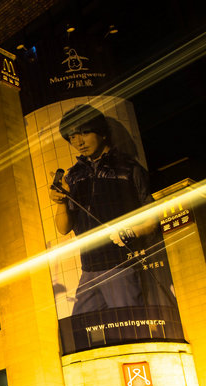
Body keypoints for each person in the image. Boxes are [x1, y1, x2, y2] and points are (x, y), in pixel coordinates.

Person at [48, 104, 159, 314]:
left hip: (121, 266)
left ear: (102, 133)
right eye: (72, 137)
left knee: (131, 328)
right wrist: (60, 201)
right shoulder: (73, 176)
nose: (78, 142)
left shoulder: (129, 169)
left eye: (84, 132)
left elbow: (152, 221)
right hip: (89, 270)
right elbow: (63, 229)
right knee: (81, 333)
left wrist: (130, 232)